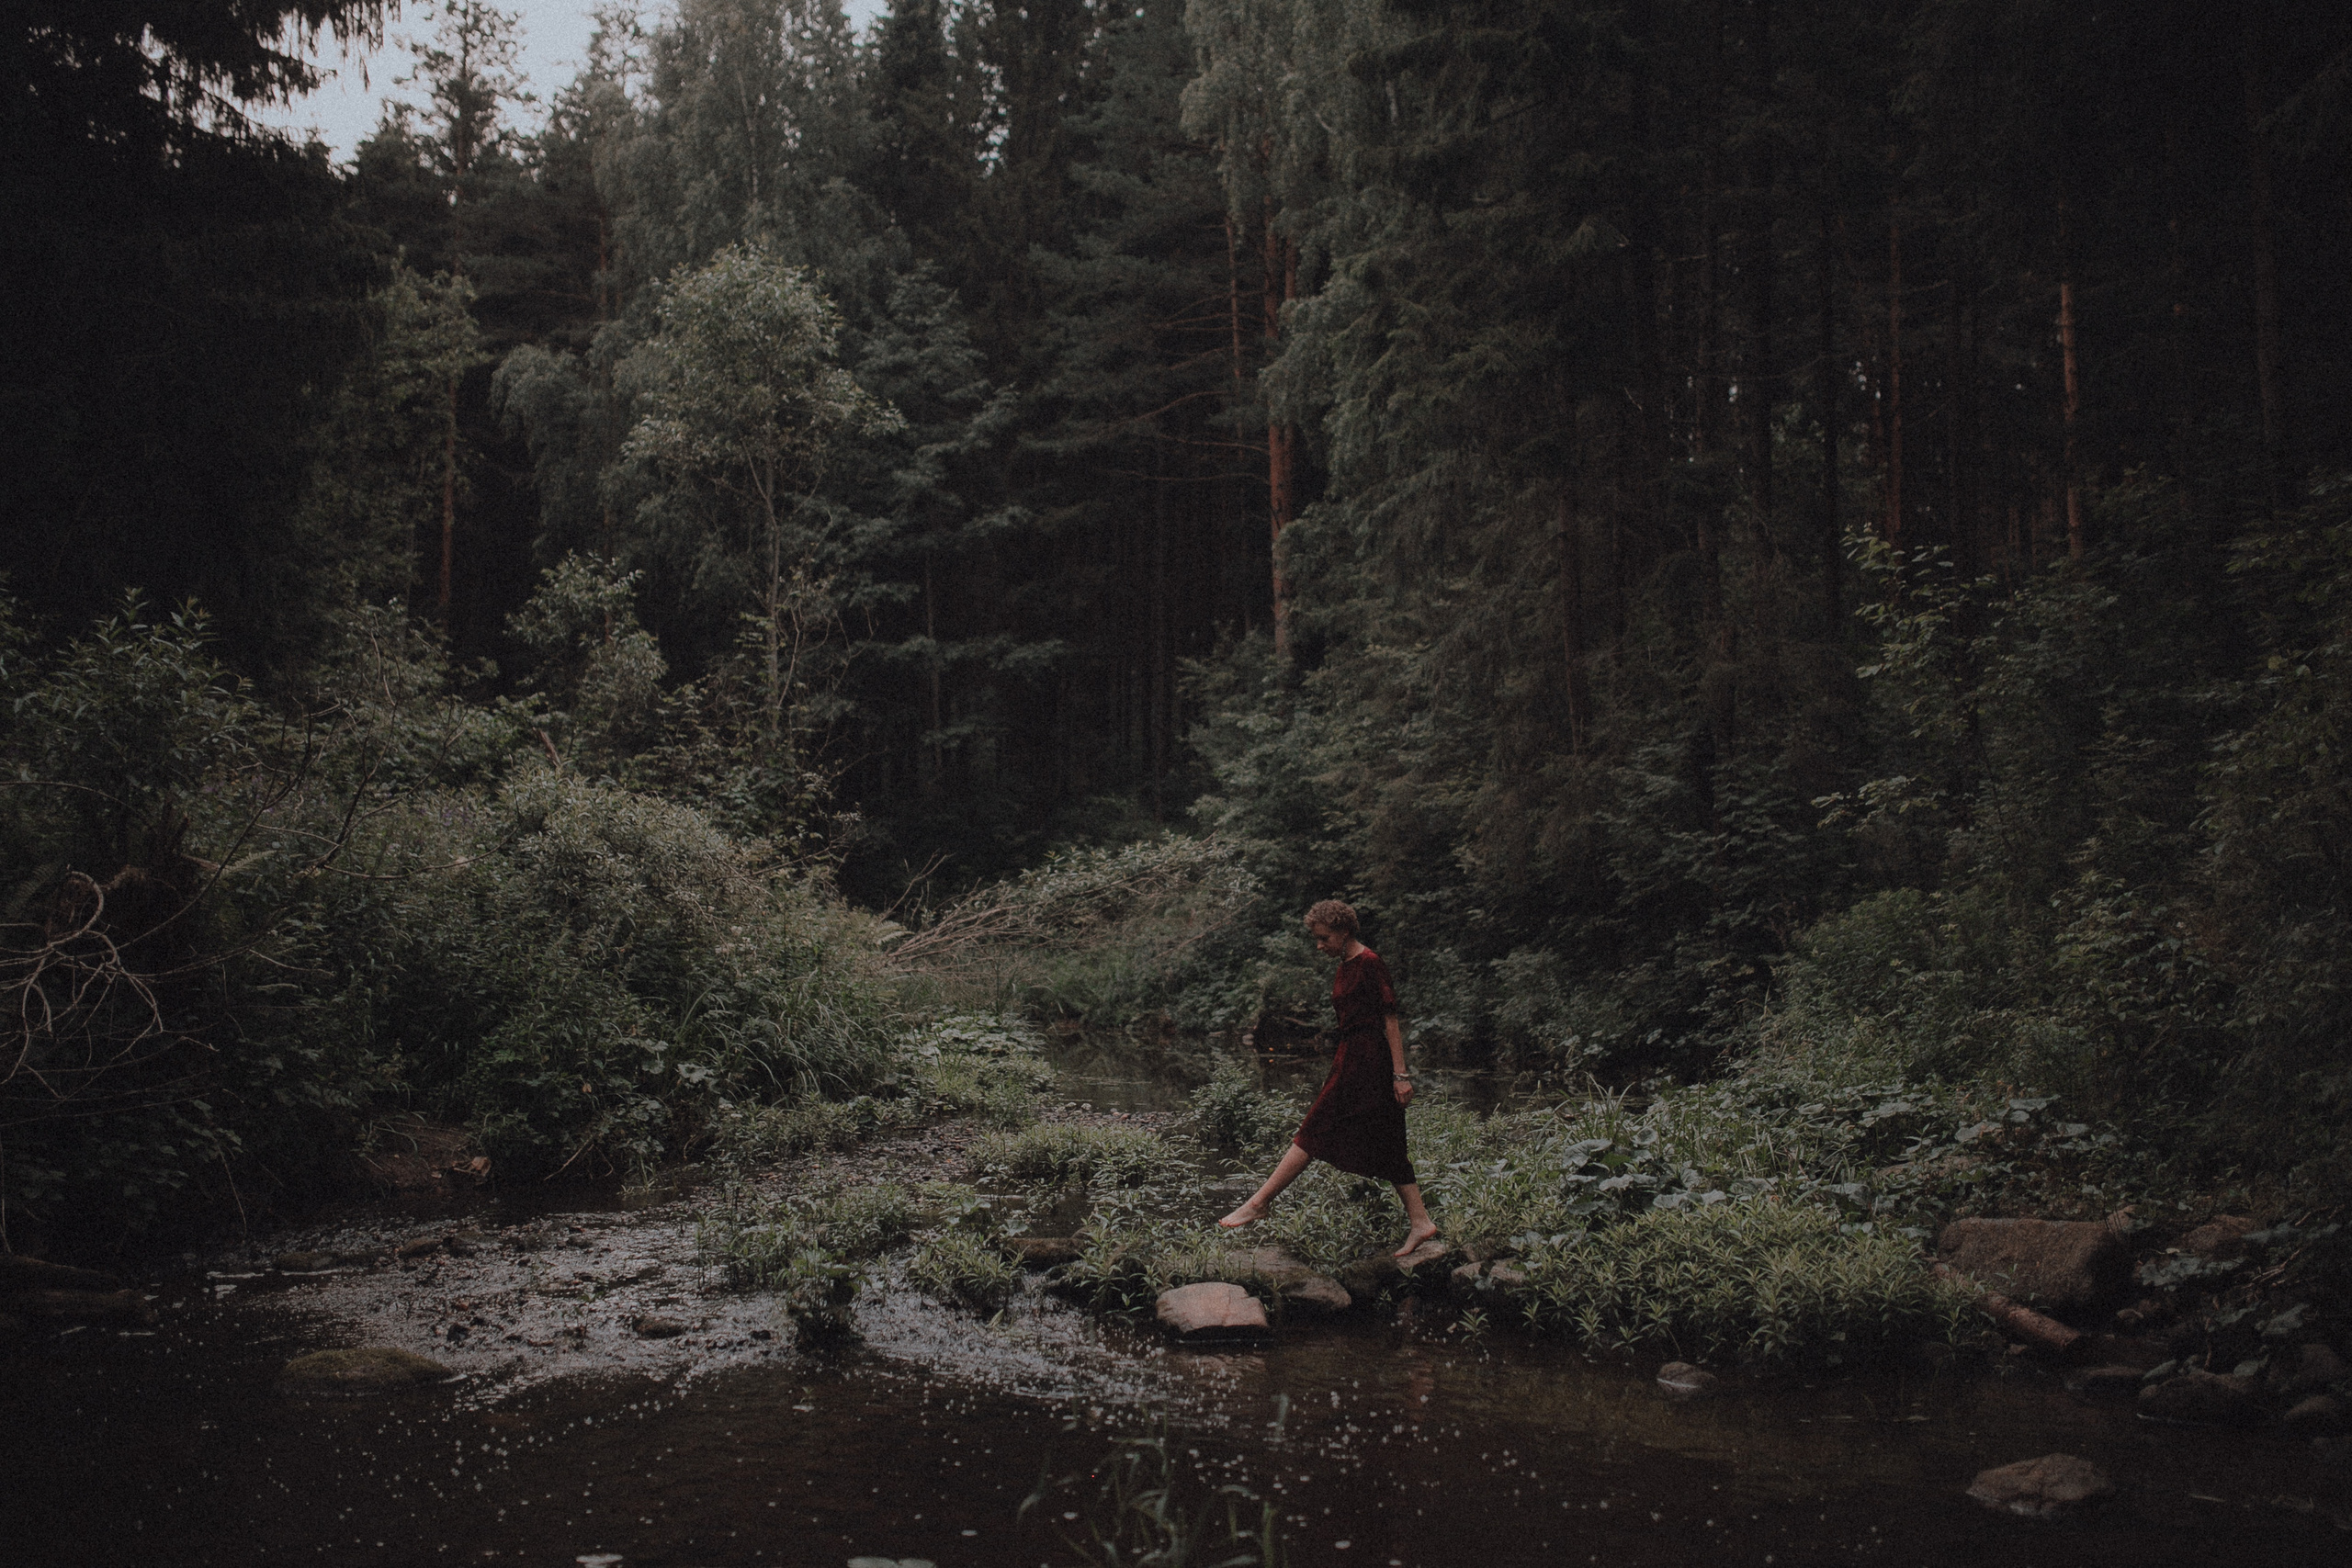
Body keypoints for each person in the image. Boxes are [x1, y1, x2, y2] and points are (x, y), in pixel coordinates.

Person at [1217, 898, 1439, 1257]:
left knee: (1315, 1127)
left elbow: (1390, 1020)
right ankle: (1421, 1221)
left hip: (1368, 1061)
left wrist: (1400, 1074)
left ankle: (1259, 1202)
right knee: (1389, 1139)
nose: (1318, 946)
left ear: (1344, 931)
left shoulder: (1369, 963)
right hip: (1350, 1055)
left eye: (1323, 938)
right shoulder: (1343, 966)